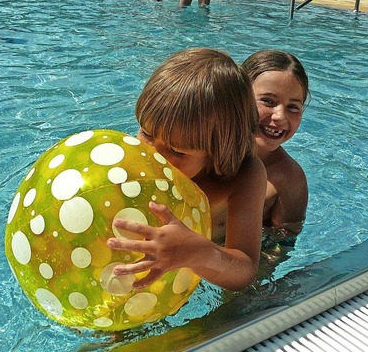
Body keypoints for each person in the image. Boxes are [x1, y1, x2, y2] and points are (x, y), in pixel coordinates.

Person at [107, 48, 267, 291]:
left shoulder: (244, 176)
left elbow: (245, 271)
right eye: (147, 134)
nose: (154, 156)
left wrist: (199, 253)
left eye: (178, 151)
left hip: (210, 260)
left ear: (219, 150)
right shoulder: (132, 159)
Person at [242, 50, 309, 236]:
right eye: (268, 101)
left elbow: (280, 247)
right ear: (238, 98)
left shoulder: (289, 180)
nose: (280, 116)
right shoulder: (199, 148)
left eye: (293, 107)